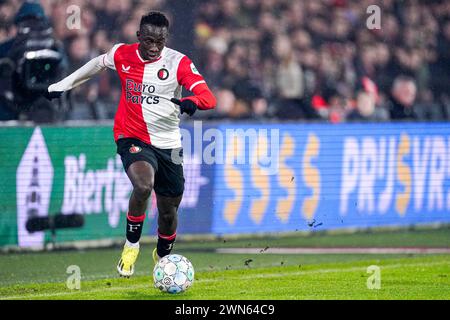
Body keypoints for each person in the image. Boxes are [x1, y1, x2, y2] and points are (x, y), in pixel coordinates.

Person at [45, 11, 216, 277]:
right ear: (138, 37)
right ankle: (131, 245)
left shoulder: (178, 63)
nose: (154, 47)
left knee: (168, 212)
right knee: (143, 185)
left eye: (159, 42)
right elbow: (96, 64)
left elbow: (208, 97)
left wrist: (194, 101)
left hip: (168, 142)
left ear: (165, 39)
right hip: (132, 136)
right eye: (148, 41)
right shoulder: (122, 54)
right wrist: (63, 85)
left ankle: (162, 257)